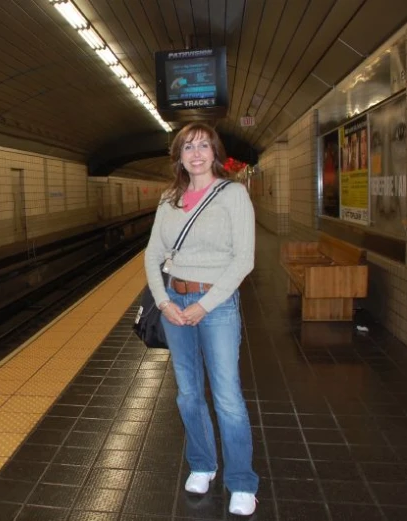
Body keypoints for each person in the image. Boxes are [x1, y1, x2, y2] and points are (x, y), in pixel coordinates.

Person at [143, 122, 258, 516]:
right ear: (179, 156)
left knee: (227, 397)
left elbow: (244, 259)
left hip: (217, 304)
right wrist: (163, 302)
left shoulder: (234, 195)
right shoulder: (169, 199)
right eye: (188, 146)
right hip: (174, 301)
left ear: (216, 153)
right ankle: (203, 464)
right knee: (188, 392)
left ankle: (242, 481)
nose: (196, 153)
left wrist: (204, 305)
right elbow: (152, 255)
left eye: (203, 146)